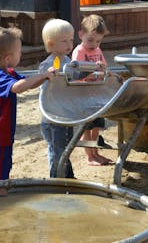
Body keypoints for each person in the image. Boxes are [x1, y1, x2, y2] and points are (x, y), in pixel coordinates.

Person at [0, 27, 56, 194]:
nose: (21, 55)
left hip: (3, 133)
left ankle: (1, 194)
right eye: (19, 52)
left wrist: (44, 77)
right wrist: (43, 76)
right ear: (8, 58)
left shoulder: (8, 72)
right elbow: (18, 88)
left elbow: (27, 84)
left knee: (4, 167)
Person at [72, 14, 112, 166]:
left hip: (96, 94)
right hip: (83, 94)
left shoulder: (97, 49)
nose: (94, 44)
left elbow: (104, 66)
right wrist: (95, 70)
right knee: (86, 127)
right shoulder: (80, 51)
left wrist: (103, 68)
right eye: (90, 40)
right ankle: (89, 156)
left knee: (97, 126)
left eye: (98, 41)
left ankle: (95, 152)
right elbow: (76, 73)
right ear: (81, 35)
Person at [39, 18, 77, 178]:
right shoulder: (48, 65)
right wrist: (50, 75)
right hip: (53, 118)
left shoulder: (68, 61)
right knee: (57, 150)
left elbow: (76, 75)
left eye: (71, 40)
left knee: (66, 147)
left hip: (65, 114)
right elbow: (44, 83)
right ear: (51, 44)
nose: (69, 44)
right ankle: (56, 177)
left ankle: (67, 175)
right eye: (64, 41)